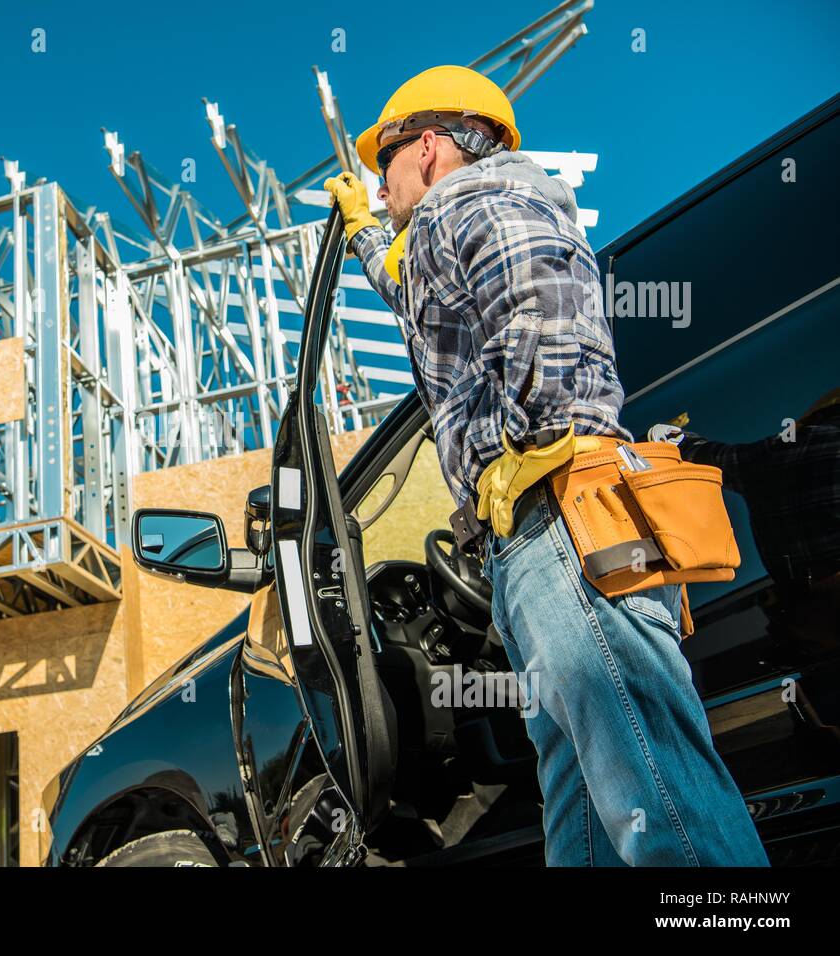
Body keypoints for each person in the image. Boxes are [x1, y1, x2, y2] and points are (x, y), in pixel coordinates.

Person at [324, 65, 769, 866]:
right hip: (535, 537)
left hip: (560, 517)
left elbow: (544, 314)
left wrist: (529, 448)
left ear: (427, 147)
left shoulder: (484, 196)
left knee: (659, 798)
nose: (378, 187)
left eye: (381, 167)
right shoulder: (446, 223)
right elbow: (417, 291)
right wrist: (363, 232)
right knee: (589, 814)